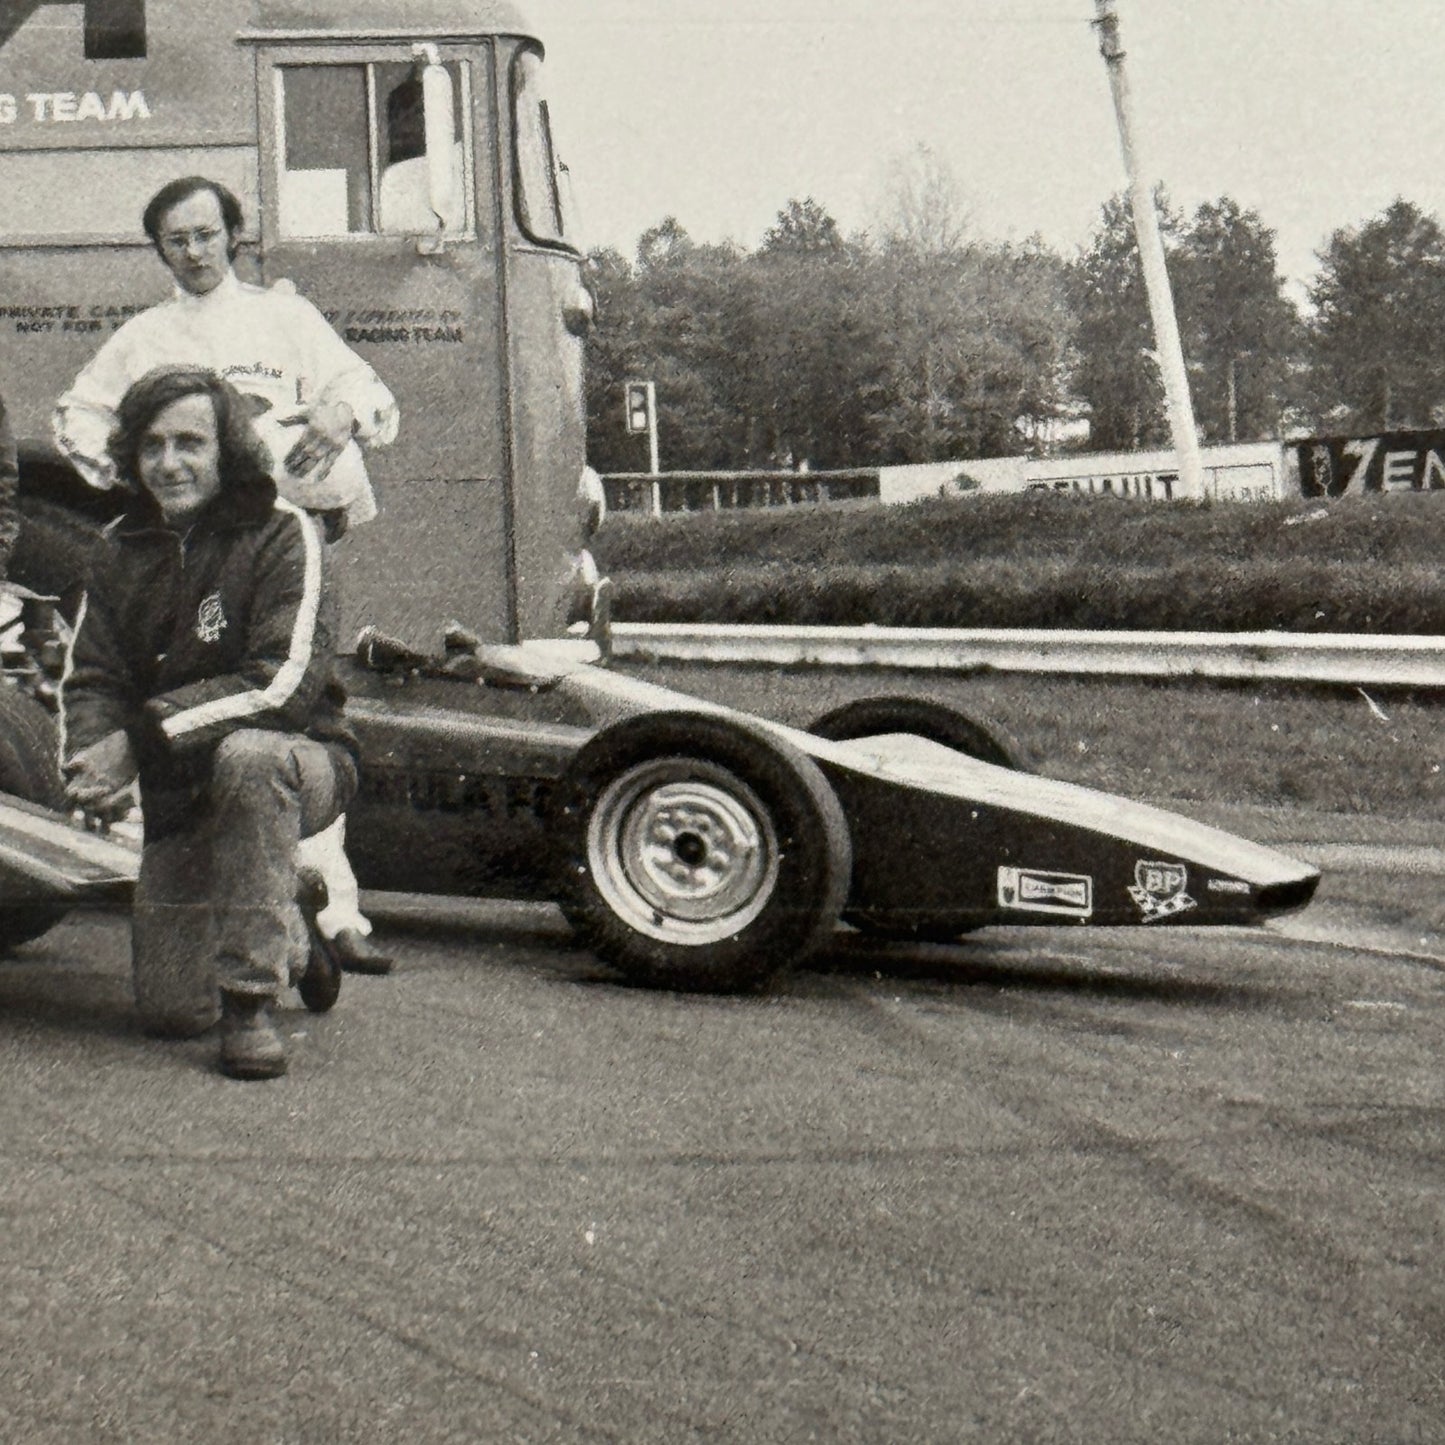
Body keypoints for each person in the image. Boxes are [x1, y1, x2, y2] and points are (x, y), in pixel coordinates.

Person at [53, 175, 396, 974]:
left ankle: (334, 905)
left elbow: (370, 393)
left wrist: (341, 413)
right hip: (184, 554)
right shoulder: (143, 336)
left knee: (280, 720)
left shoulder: (285, 316)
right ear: (159, 249)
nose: (195, 252)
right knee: (198, 704)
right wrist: (129, 474)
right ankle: (241, 906)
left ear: (234, 235)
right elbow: (77, 413)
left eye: (207, 234)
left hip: (281, 542)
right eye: (176, 240)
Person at [61, 368, 359, 1079]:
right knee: (168, 1013)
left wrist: (136, 744)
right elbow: (94, 675)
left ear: (227, 448)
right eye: (152, 445)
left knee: (249, 759)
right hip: (180, 788)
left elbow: (280, 685)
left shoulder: (286, 533)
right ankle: (287, 909)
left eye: (190, 443)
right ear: (131, 455)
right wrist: (88, 762)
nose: (170, 463)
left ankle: (250, 1004)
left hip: (297, 759)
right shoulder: (115, 546)